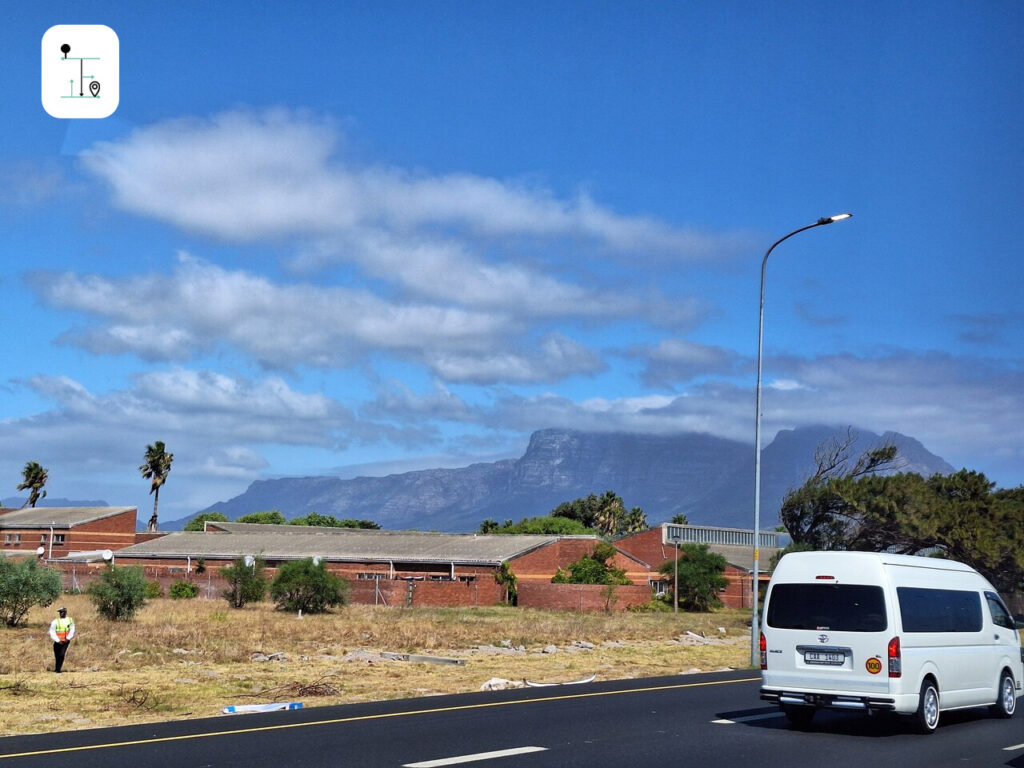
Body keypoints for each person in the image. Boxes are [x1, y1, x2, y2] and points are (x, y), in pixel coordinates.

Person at [48, 606, 75, 673]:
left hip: (65, 641)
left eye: (62, 612)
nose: (61, 613)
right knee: (57, 655)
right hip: (58, 641)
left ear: (65, 612)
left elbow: (72, 630)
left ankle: (58, 669)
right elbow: (52, 631)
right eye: (60, 612)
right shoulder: (55, 621)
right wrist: (57, 640)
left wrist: (68, 638)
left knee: (62, 654)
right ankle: (56, 668)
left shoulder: (70, 620)